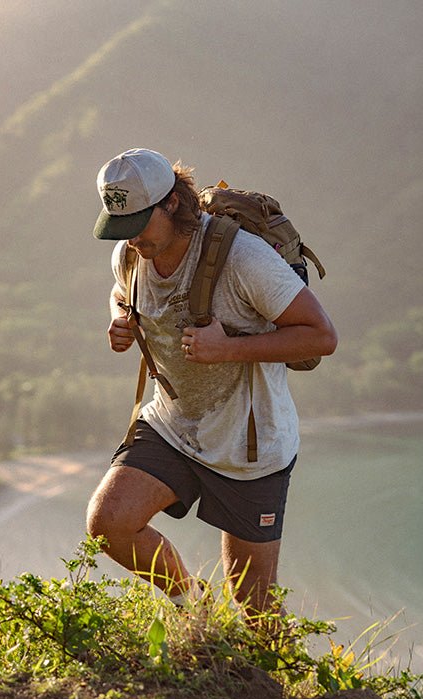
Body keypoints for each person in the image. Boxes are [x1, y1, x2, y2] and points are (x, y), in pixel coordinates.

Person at [86, 148, 337, 619]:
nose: (131, 239)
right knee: (109, 524)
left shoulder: (244, 258)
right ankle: (194, 610)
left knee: (255, 608)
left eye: (140, 223)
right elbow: (121, 293)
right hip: (173, 423)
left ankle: (284, 690)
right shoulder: (131, 252)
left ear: (172, 204)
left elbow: (322, 336)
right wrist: (120, 320)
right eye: (121, 228)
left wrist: (228, 349)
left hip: (250, 444)